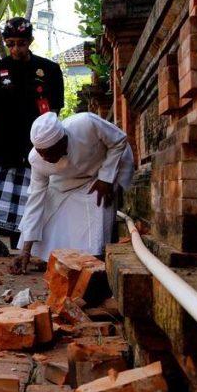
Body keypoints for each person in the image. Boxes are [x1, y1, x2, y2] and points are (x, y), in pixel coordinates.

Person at [0, 17, 64, 268]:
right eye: (11, 43)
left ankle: (29, 254)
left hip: (36, 149)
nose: (16, 49)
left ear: (30, 41)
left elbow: (55, 112)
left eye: (21, 43)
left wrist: (49, 145)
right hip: (1, 148)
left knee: (34, 201)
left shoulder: (49, 70)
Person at [13, 112, 135, 273]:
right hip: (70, 180)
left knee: (99, 202)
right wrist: (25, 250)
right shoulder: (37, 160)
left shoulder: (86, 123)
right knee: (50, 205)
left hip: (106, 169)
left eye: (49, 151)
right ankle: (57, 256)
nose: (45, 157)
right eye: (40, 152)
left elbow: (119, 140)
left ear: (63, 140)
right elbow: (35, 200)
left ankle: (94, 257)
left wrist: (106, 178)